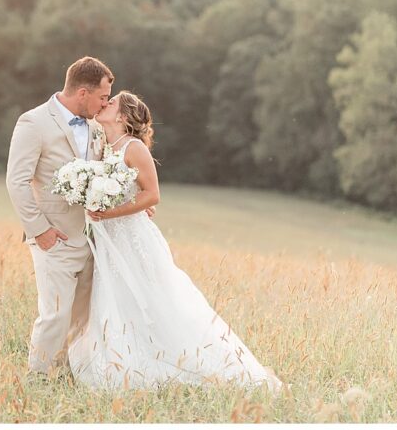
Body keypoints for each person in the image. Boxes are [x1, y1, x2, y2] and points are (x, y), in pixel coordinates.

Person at [68, 90, 284, 393]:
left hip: (133, 238)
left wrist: (111, 212)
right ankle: (122, 357)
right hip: (110, 240)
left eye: (112, 102)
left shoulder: (134, 148)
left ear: (123, 116)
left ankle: (193, 362)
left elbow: (152, 195)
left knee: (155, 299)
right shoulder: (104, 145)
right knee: (119, 298)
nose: (105, 103)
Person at [5, 56, 154, 378]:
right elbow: (16, 181)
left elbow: (107, 171)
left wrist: (128, 197)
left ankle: (72, 375)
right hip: (54, 237)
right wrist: (40, 230)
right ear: (82, 92)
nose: (105, 104)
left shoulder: (97, 126)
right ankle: (39, 377)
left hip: (95, 238)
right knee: (55, 314)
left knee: (84, 316)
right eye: (103, 97)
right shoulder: (34, 122)